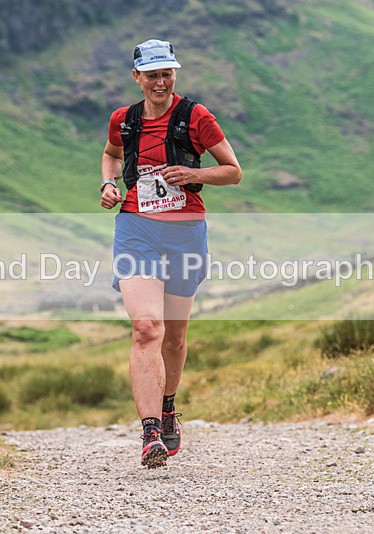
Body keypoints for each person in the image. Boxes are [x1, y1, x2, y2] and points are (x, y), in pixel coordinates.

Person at [100, 39, 242, 468]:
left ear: (174, 74)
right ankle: (149, 434)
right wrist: (108, 184)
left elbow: (233, 171)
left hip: (184, 232)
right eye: (152, 74)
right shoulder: (122, 120)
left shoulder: (195, 117)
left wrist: (193, 173)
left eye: (167, 73)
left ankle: (166, 408)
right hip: (136, 229)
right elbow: (110, 155)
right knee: (146, 327)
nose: (160, 81)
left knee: (175, 338)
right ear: (137, 77)